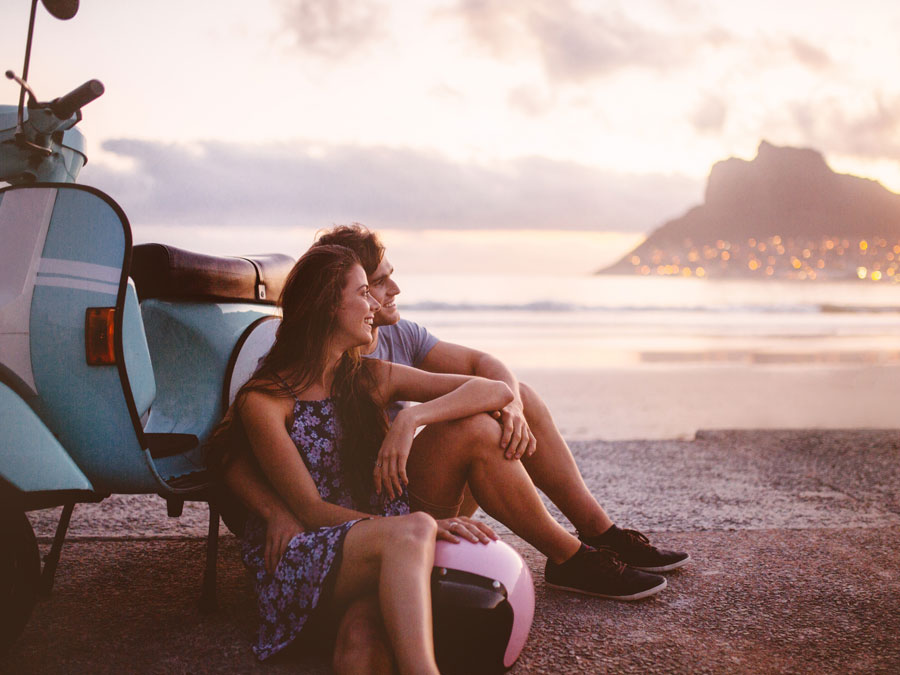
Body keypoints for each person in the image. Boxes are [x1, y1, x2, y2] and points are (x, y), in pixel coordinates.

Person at [212, 245, 666, 673]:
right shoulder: (267, 400)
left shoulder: (367, 376)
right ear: (329, 305)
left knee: (364, 634)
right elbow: (311, 511)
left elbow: (497, 391)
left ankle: (572, 557)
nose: (376, 303)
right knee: (409, 538)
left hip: (379, 536)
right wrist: (424, 527)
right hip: (311, 548)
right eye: (363, 292)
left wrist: (412, 423)